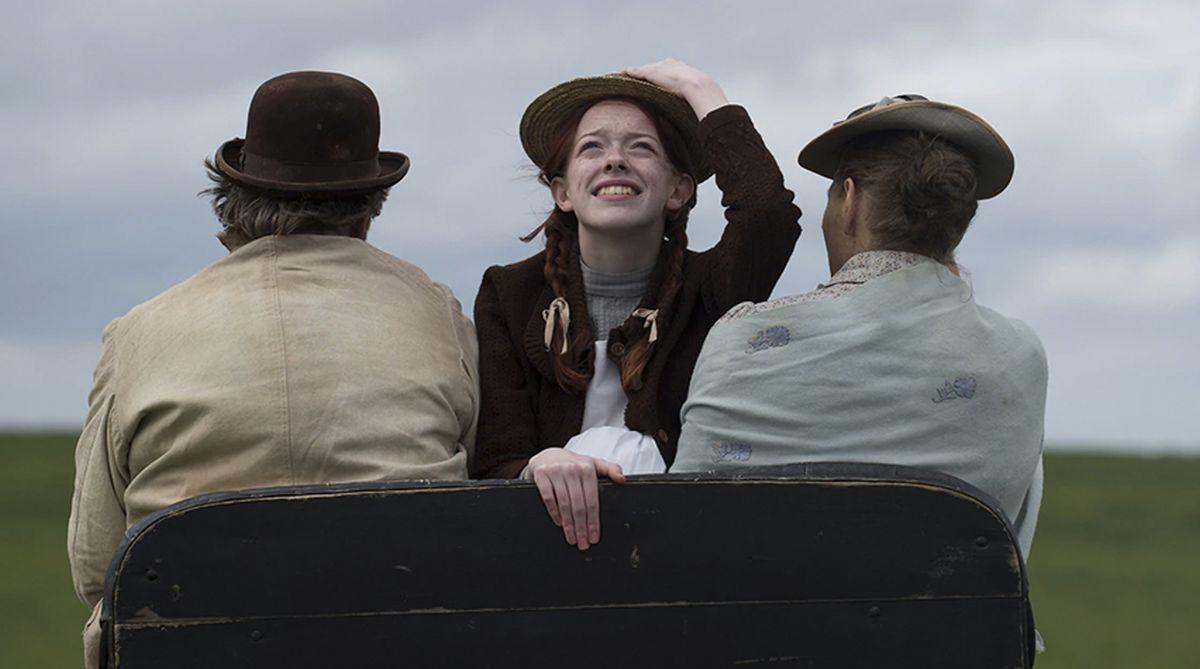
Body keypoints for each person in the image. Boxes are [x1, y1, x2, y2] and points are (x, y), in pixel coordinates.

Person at [67, 71, 479, 667]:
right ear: (368, 208)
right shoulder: (436, 313)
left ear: (233, 198)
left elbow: (95, 563)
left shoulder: (138, 332)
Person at [674, 94, 1047, 561]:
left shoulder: (744, 339)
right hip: (951, 611)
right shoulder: (1020, 355)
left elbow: (681, 526)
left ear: (850, 201)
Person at [472, 59, 802, 550]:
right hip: (544, 546)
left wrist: (701, 89)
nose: (615, 161)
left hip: (684, 544)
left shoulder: (711, 288)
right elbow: (496, 459)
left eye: (641, 147)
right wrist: (537, 465)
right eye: (592, 147)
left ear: (679, 190)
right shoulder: (509, 293)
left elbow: (767, 214)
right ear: (562, 192)